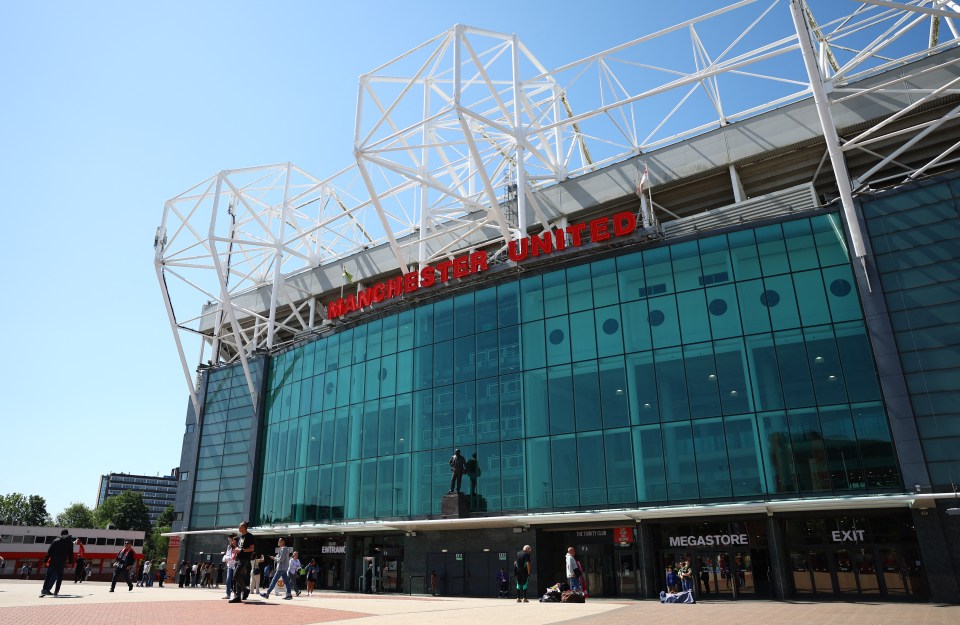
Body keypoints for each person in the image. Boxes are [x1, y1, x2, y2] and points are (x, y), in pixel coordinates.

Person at [40, 529, 73, 597]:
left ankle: (44, 590)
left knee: (48, 575)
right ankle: (56, 591)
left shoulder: (55, 541)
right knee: (59, 577)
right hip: (62, 562)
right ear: (67, 534)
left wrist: (45, 561)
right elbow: (71, 554)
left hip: (53, 561)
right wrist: (70, 562)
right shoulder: (69, 542)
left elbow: (49, 552)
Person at [230, 520, 256, 603]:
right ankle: (238, 596)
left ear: (244, 527)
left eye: (240, 526)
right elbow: (240, 548)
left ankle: (245, 590)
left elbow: (252, 548)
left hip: (244, 559)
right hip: (239, 559)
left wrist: (241, 550)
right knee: (238, 577)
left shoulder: (249, 536)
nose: (238, 527)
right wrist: (237, 550)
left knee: (236, 576)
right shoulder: (241, 537)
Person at [222, 534, 238, 600]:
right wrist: (227, 559)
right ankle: (228, 594)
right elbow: (227, 555)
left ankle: (236, 593)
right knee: (228, 579)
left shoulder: (237, 546)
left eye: (230, 540)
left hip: (236, 565)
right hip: (230, 565)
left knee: (236, 580)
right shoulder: (229, 546)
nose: (229, 541)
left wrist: (229, 558)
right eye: (228, 540)